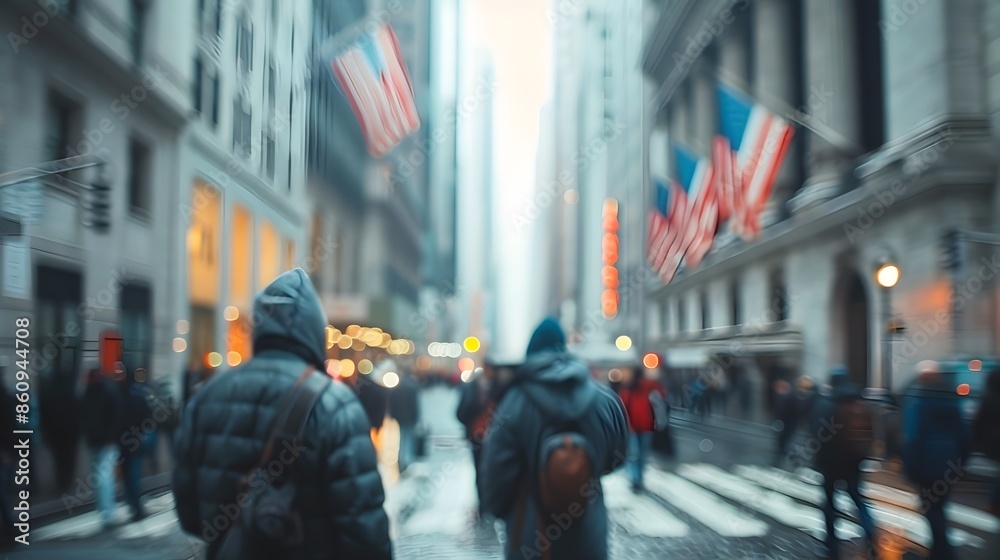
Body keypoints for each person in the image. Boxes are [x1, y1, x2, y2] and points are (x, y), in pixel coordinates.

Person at [173, 269, 391, 559]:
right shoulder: (336, 405)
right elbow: (365, 533)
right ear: (315, 332)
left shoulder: (205, 397)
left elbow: (189, 515)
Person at [481, 318, 629, 560]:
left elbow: (496, 470)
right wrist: (583, 475)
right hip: (588, 530)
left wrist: (501, 511)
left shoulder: (513, 401)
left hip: (531, 533)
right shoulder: (605, 400)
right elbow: (619, 455)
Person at [903, 360, 971, 559]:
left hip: (926, 465)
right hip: (949, 464)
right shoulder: (952, 400)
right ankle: (939, 549)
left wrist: (910, 467)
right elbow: (964, 435)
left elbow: (913, 437)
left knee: (930, 508)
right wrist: (961, 463)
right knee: (940, 506)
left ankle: (943, 551)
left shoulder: (918, 401)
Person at [811, 366, 878, 558]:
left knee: (830, 503)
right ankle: (871, 532)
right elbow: (871, 431)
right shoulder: (861, 402)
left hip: (831, 463)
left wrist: (818, 460)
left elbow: (819, 434)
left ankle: (831, 544)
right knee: (858, 498)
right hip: (854, 461)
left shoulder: (827, 403)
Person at [80, 365, 126, 529]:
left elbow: (84, 415)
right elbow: (117, 415)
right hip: (104, 441)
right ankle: (105, 510)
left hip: (100, 441)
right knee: (103, 476)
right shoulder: (107, 391)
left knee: (101, 476)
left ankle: (105, 511)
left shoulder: (89, 392)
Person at [457, 362, 501, 512]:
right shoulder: (471, 387)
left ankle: (490, 504)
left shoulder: (498, 386)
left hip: (494, 437)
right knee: (479, 470)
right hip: (476, 437)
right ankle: (483, 505)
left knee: (491, 471)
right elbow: (461, 412)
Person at [618, 366, 666, 491]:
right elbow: (662, 392)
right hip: (644, 426)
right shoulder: (647, 386)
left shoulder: (627, 388)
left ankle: (636, 479)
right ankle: (638, 479)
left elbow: (622, 408)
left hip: (633, 427)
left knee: (634, 455)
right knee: (641, 455)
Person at [119, 362, 154, 522]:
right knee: (130, 477)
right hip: (131, 442)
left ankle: (135, 507)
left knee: (131, 477)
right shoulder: (133, 395)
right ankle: (135, 506)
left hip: (130, 443)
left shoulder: (125, 395)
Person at [974, 369, 1000, 516]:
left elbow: (979, 421)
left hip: (991, 441)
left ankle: (993, 501)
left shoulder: (988, 398)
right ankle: (993, 501)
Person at [775, 375, 814, 465]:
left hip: (788, 422)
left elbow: (782, 408)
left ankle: (787, 458)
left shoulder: (792, 394)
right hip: (793, 422)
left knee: (783, 441)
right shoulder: (808, 397)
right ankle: (788, 457)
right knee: (786, 440)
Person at [389, 368, 420, 472]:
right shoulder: (412, 386)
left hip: (400, 417)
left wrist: (393, 415)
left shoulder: (398, 387)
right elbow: (414, 404)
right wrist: (416, 417)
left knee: (402, 438)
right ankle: (407, 459)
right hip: (409, 417)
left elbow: (392, 403)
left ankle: (402, 458)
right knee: (408, 438)